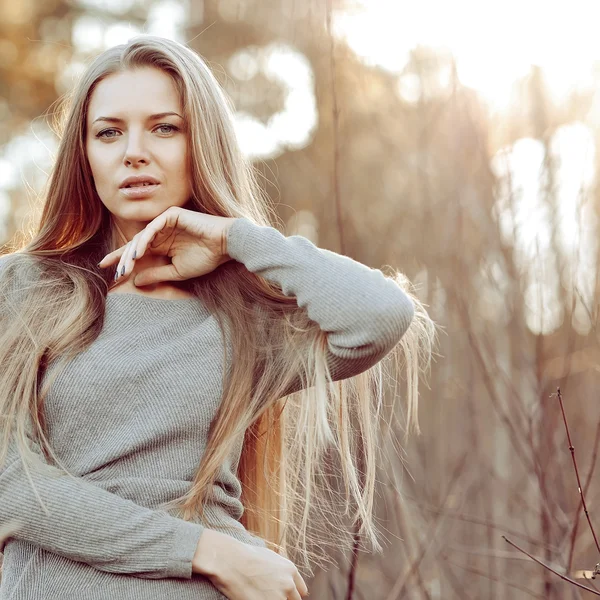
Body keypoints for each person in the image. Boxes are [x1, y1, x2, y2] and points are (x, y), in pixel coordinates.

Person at [0, 36, 434, 600]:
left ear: (200, 142)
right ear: (84, 155)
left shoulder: (246, 320)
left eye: (164, 128)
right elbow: (11, 486)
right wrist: (206, 551)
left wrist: (234, 238)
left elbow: (381, 315)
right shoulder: (23, 288)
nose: (134, 151)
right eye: (109, 132)